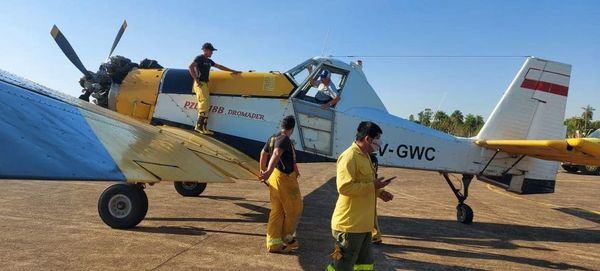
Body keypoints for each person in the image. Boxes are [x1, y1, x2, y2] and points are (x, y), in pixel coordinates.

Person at [327, 121, 394, 271]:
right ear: (367, 139)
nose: (379, 144)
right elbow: (344, 187)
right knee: (342, 266)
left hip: (363, 225)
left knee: (364, 264)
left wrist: (380, 192)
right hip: (350, 225)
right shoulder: (349, 156)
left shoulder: (366, 157)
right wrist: (373, 186)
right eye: (377, 140)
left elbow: (366, 183)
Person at [259, 115, 303, 253]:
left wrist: (263, 170)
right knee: (295, 209)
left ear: (282, 125)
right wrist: (267, 171)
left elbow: (263, 153)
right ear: (292, 128)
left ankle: (273, 243)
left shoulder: (273, 137)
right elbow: (277, 153)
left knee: (277, 210)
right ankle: (286, 236)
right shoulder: (284, 139)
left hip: (274, 178)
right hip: (284, 178)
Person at [188, 42, 241, 135]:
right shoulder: (199, 58)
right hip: (200, 83)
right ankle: (199, 126)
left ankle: (203, 127)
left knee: (207, 103)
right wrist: (196, 80)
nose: (212, 53)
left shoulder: (209, 61)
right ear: (205, 50)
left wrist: (233, 71)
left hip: (205, 83)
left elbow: (219, 66)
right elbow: (190, 66)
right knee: (204, 102)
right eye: (211, 51)